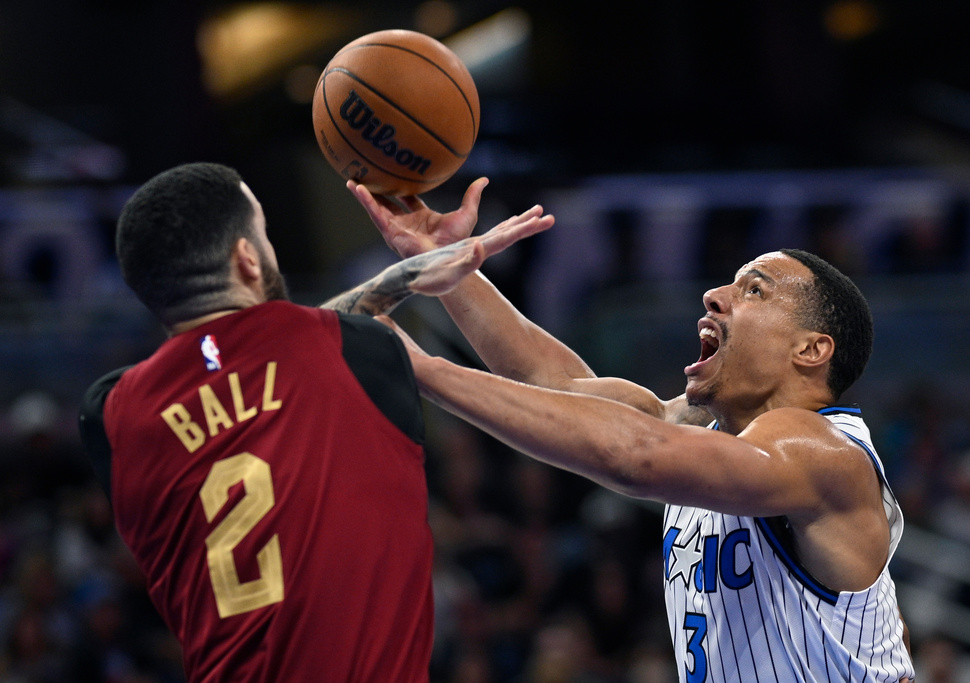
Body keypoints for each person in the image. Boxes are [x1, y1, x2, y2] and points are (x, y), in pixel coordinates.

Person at [347, 178, 916, 682]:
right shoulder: (705, 431)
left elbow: (636, 456)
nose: (714, 295)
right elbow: (556, 387)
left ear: (811, 349)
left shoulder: (822, 451)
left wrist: (422, 368)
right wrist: (443, 262)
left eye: (754, 290)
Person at [77, 162, 552, 682]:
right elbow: (313, 343)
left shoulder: (111, 418)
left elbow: (265, 354)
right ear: (247, 261)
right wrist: (407, 275)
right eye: (262, 233)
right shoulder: (359, 354)